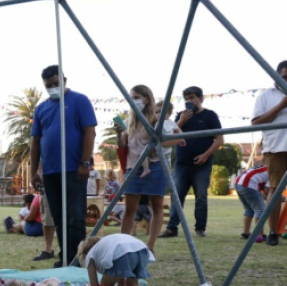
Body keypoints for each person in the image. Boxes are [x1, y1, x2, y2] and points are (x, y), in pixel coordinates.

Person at [29, 65, 97, 267]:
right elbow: (36, 141)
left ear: (64, 80)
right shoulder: (41, 108)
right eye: (48, 85)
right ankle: (65, 257)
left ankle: (76, 260)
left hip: (74, 170)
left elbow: (89, 132)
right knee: (59, 219)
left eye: (55, 84)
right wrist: (34, 171)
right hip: (50, 172)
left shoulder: (79, 100)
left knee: (75, 218)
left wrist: (85, 162)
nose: (52, 88)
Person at [114, 85, 183, 253]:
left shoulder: (157, 120)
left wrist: (157, 144)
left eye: (137, 97)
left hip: (155, 165)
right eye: (131, 97)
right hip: (133, 165)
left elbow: (178, 137)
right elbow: (123, 145)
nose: (133, 100)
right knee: (129, 207)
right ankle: (124, 244)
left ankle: (150, 245)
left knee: (157, 205)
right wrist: (118, 134)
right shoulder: (129, 120)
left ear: (146, 99)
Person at [159, 86, 223, 239]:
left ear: (201, 99)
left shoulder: (210, 116)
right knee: (177, 195)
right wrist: (181, 120)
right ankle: (172, 228)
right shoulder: (181, 116)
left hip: (202, 163)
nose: (189, 101)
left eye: (192, 98)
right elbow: (170, 135)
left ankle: (200, 228)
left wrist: (206, 155)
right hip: (182, 163)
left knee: (201, 196)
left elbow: (219, 139)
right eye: (186, 98)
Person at [251, 60, 287, 247]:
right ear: (276, 76)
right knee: (275, 190)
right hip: (276, 148)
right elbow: (256, 123)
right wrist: (280, 106)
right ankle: (273, 231)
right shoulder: (265, 96)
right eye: (285, 77)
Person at [77, 233, 155, 286]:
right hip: (141, 248)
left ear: (83, 254)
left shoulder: (90, 255)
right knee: (133, 284)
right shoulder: (107, 245)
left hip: (122, 251)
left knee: (106, 284)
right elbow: (121, 281)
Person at [235, 164, 269, 240]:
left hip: (238, 183)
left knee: (249, 209)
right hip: (249, 184)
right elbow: (267, 191)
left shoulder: (263, 167)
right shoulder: (273, 172)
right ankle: (260, 235)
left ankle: (246, 233)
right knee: (260, 210)